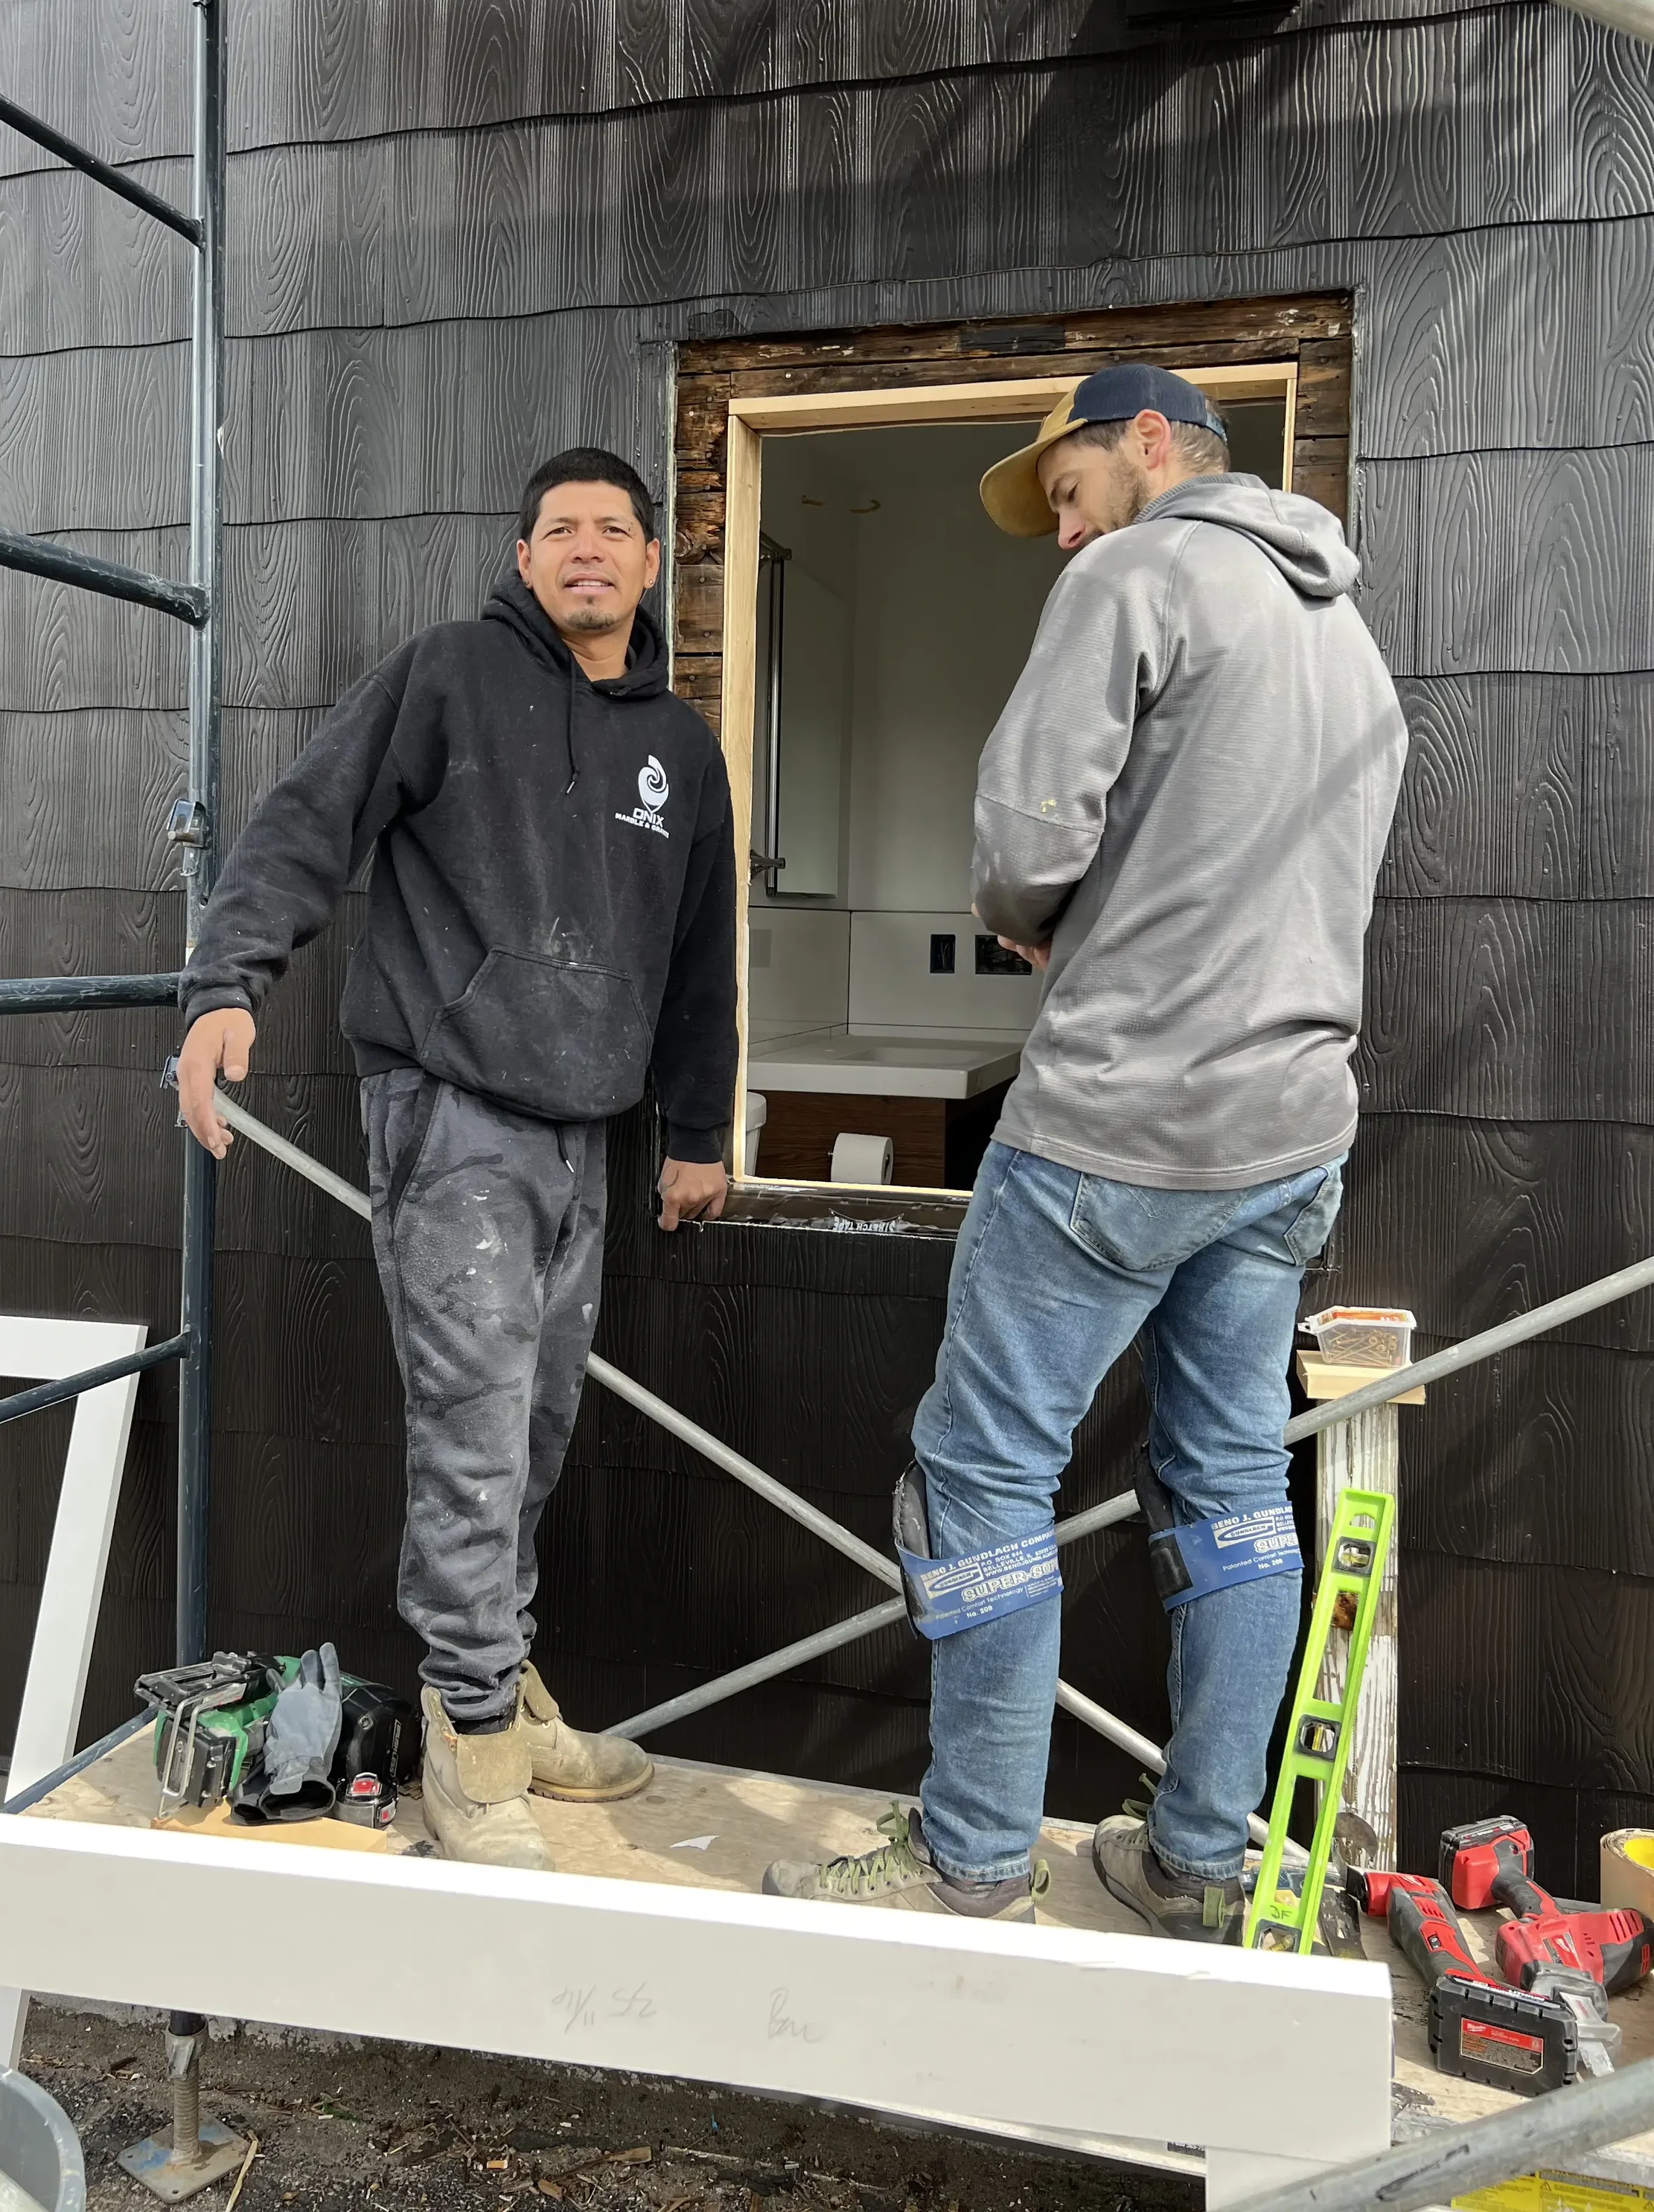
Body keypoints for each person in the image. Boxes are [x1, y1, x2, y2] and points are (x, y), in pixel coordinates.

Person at [764, 362, 1408, 1935]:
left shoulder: (1141, 568)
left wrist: (1031, 920)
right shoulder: (1344, 633)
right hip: (1285, 1133)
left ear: (1142, 446)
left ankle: (971, 1854)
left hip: (1120, 1117)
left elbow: (1022, 841)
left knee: (980, 1479)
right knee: (1233, 1483)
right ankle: (1199, 1855)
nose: (1061, 536)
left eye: (1063, 493)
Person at [176, 448, 737, 1873]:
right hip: (454, 1115)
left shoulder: (678, 743)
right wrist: (226, 979)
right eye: (563, 531)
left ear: (653, 561)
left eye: (617, 529)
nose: (590, 549)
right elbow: (308, 818)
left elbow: (699, 956)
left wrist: (694, 1129)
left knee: (533, 1431)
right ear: (526, 555)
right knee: (477, 1433)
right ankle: (470, 1739)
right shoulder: (445, 676)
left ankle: (495, 1684)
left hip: (585, 1136)